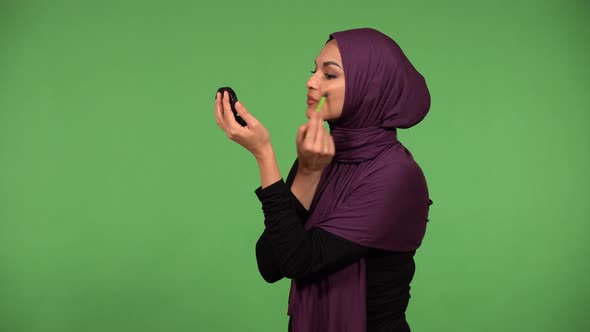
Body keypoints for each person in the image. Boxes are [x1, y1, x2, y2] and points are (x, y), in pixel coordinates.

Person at [214, 27, 432, 332]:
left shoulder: (396, 176)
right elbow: (271, 263)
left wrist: (264, 154)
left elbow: (300, 261)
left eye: (329, 75)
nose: (311, 82)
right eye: (313, 70)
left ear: (368, 88)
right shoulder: (317, 156)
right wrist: (306, 172)